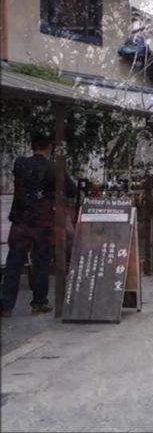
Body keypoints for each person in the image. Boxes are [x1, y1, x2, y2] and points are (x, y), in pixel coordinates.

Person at [1, 132, 75, 317]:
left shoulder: (20, 164)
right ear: (49, 147)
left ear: (32, 145)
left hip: (20, 222)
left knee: (13, 263)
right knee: (41, 262)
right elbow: (71, 190)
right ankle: (39, 303)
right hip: (42, 223)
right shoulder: (53, 168)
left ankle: (6, 306)